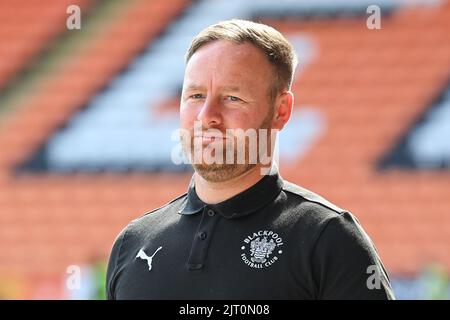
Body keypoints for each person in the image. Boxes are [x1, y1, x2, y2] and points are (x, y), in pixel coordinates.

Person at [106, 19, 394, 300]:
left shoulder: (329, 239)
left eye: (232, 97)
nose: (207, 116)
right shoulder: (132, 244)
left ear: (281, 111)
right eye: (195, 95)